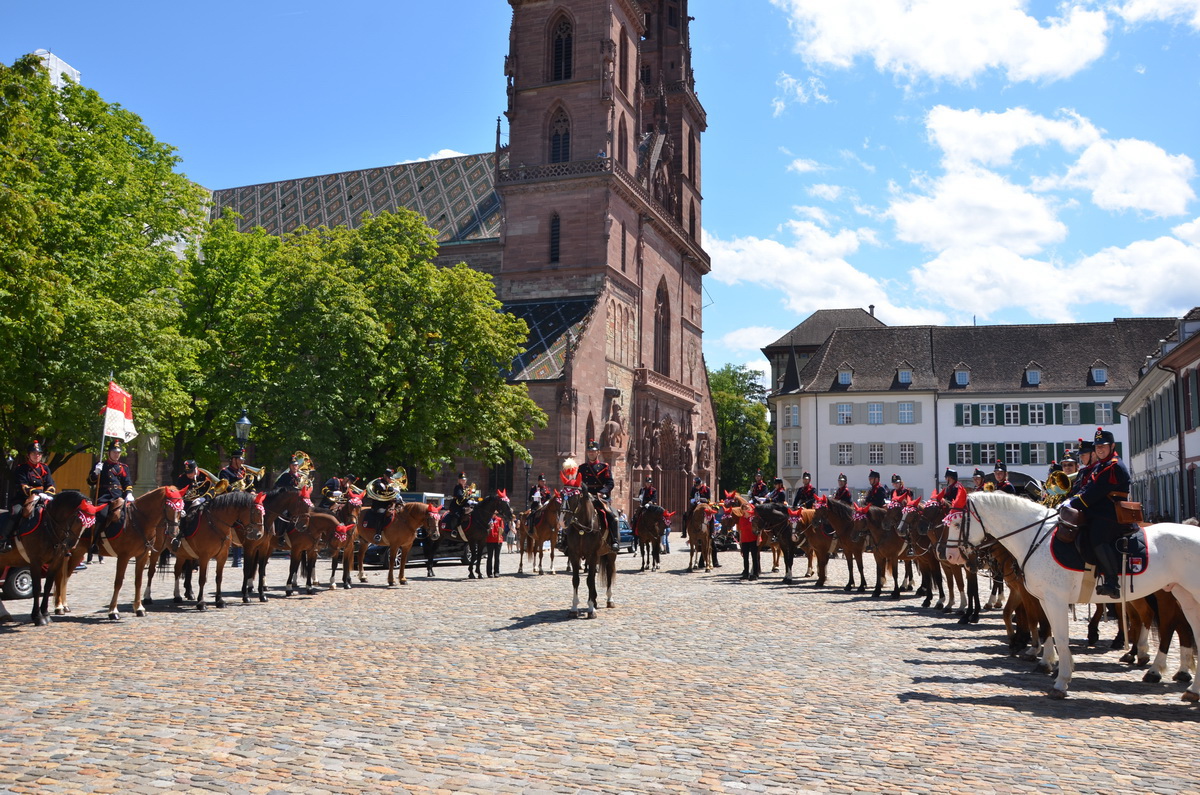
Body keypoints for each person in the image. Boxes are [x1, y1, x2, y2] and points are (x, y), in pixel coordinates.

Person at [1067, 428, 1132, 598]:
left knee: (1097, 537)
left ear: (1112, 446)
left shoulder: (1114, 466)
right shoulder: (1102, 465)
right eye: (1097, 447)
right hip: (1099, 511)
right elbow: (1088, 488)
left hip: (1111, 514)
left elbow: (1095, 492)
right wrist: (1072, 499)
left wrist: (1074, 503)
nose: (1100, 449)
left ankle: (1112, 582)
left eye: (1103, 446)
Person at [1, 441, 56, 554]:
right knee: (16, 513)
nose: (37, 456)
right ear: (28, 455)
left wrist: (47, 495)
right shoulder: (21, 469)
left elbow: (51, 485)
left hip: (43, 498)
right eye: (34, 453)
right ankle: (4, 540)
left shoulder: (45, 468)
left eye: (39, 454)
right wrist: (37, 493)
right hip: (24, 498)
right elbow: (23, 486)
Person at [87, 439, 134, 544]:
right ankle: (94, 542)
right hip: (104, 496)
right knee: (101, 515)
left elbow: (127, 483)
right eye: (114, 452)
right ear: (109, 453)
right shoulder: (100, 465)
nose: (116, 455)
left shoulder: (123, 467)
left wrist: (129, 493)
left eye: (118, 452)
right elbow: (90, 482)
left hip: (118, 496)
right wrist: (95, 473)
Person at [577, 440, 619, 552]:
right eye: (589, 451)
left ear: (598, 452)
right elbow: (578, 483)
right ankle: (566, 542)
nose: (591, 453)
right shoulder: (582, 468)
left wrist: (602, 492)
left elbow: (610, 483)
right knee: (571, 513)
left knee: (612, 516)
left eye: (593, 451)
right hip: (586, 496)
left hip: (599, 497)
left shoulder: (604, 467)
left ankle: (614, 540)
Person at [171, 460, 213, 550]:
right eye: (187, 472)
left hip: (204, 500)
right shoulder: (182, 478)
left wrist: (205, 498)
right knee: (184, 516)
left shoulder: (204, 476)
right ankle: (179, 536)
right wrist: (181, 506)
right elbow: (179, 493)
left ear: (196, 469)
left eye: (191, 472)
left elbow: (212, 489)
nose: (189, 474)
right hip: (188, 502)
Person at [444, 472, 472, 542]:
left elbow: (470, 495)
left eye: (464, 480)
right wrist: (467, 498)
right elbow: (459, 496)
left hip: (464, 505)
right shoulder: (458, 487)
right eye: (461, 480)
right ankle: (454, 530)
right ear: (459, 480)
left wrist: (471, 498)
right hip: (456, 506)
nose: (463, 481)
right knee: (457, 515)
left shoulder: (467, 488)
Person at [738, 505, 760, 581]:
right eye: (744, 509)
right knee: (745, 557)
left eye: (747, 508)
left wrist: (759, 538)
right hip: (744, 539)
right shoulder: (741, 518)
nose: (746, 510)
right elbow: (740, 530)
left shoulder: (753, 518)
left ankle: (755, 573)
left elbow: (759, 528)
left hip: (753, 539)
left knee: (754, 557)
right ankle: (746, 573)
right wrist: (740, 540)